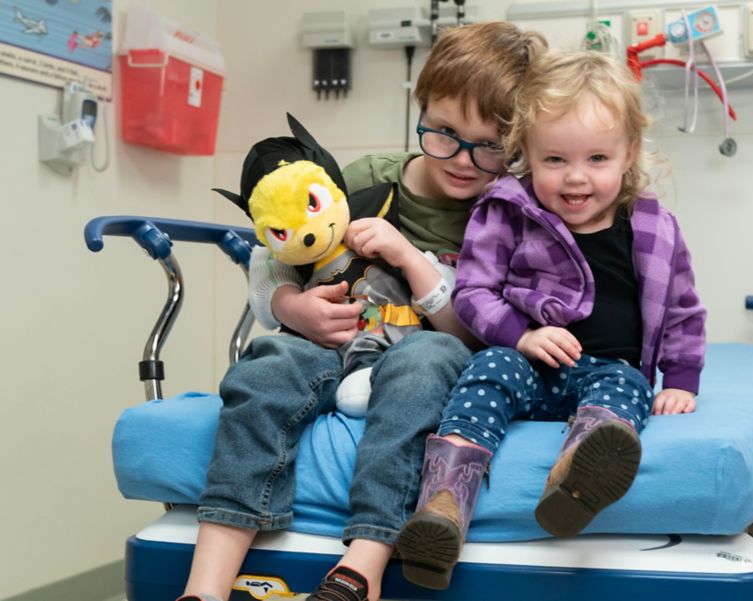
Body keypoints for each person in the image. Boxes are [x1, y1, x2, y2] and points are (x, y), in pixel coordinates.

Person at [177, 22, 547, 601]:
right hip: (331, 345)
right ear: (420, 108)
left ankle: (362, 567)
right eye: (444, 132)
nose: (463, 159)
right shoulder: (367, 179)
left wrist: (408, 257)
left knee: (428, 358)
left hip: (426, 355)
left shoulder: (510, 213)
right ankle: (205, 585)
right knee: (266, 362)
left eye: (492, 145)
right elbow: (273, 254)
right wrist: (290, 307)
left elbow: (478, 333)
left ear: (521, 142)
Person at [394, 49, 707, 590]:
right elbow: (473, 292)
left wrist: (680, 380)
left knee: (623, 388)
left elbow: (682, 308)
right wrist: (523, 336)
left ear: (628, 153)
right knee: (486, 372)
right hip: (528, 363)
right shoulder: (506, 211)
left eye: (597, 160)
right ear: (527, 157)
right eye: (555, 161)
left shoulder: (653, 227)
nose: (575, 179)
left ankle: (575, 478)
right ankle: (443, 505)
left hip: (608, 367)